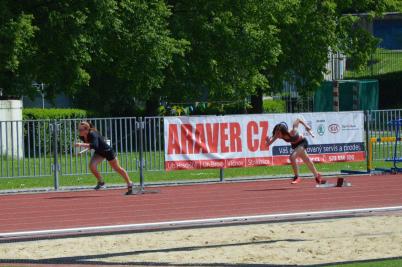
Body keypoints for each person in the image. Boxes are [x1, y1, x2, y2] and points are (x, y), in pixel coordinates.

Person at [75, 121, 134, 195]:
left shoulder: (93, 134)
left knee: (117, 168)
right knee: (92, 166)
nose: (79, 131)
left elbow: (94, 145)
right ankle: (101, 181)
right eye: (78, 129)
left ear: (86, 129)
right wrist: (82, 151)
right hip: (99, 152)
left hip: (107, 151)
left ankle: (129, 183)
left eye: (80, 130)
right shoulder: (82, 136)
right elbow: (91, 145)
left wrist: (80, 144)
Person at [266, 119, 326, 185]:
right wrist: (268, 141)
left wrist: (306, 126)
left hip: (302, 142)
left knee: (292, 157)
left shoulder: (293, 131)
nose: (276, 135)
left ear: (283, 131)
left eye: (278, 133)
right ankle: (317, 175)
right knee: (307, 160)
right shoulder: (277, 136)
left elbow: (298, 120)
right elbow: (268, 145)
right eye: (275, 133)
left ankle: (297, 176)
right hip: (295, 146)